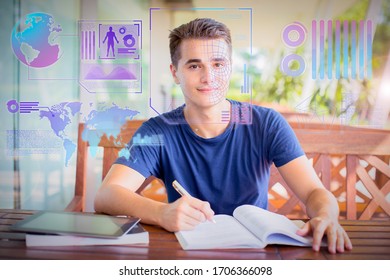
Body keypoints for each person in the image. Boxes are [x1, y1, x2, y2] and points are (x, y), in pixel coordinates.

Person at [94, 18, 352, 254]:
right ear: (175, 73)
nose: (209, 77)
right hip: (186, 253)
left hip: (255, 253)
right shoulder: (157, 131)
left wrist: (325, 216)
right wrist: (162, 212)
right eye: (194, 65)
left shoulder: (266, 123)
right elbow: (107, 195)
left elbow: (313, 193)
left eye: (218, 64)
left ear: (229, 68)